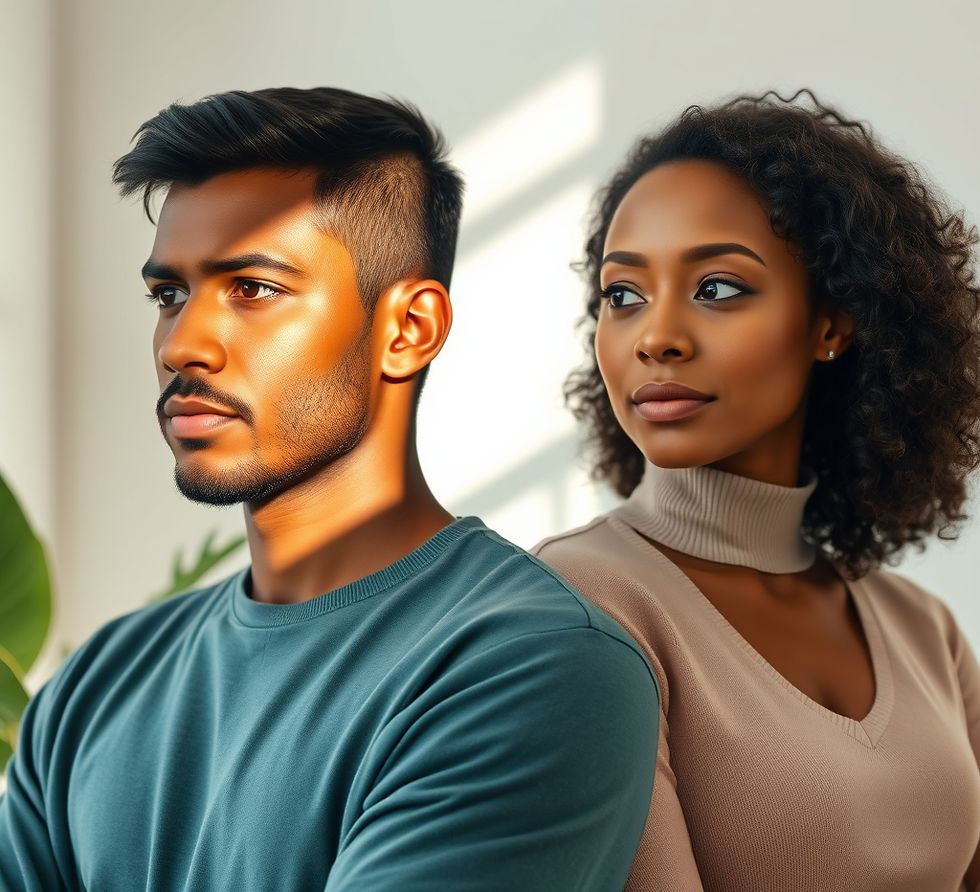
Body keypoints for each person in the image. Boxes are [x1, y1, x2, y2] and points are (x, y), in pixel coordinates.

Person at [0, 87, 659, 891]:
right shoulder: (98, 685)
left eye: (253, 289)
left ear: (409, 328)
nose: (183, 345)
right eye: (169, 295)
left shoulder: (537, 669)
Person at [533, 91, 980, 892]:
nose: (656, 336)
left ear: (832, 323)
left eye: (717, 289)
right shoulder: (577, 608)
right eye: (622, 295)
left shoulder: (925, 634)